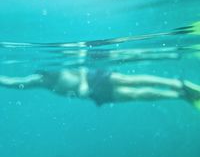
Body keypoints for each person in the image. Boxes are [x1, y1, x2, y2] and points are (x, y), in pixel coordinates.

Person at [0, 67, 200, 108]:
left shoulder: (54, 70)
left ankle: (177, 84)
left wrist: (85, 85)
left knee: (132, 81)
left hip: (93, 77)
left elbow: (79, 68)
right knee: (134, 95)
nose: (34, 80)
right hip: (93, 94)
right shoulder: (39, 82)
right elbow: (12, 82)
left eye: (37, 77)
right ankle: (180, 95)